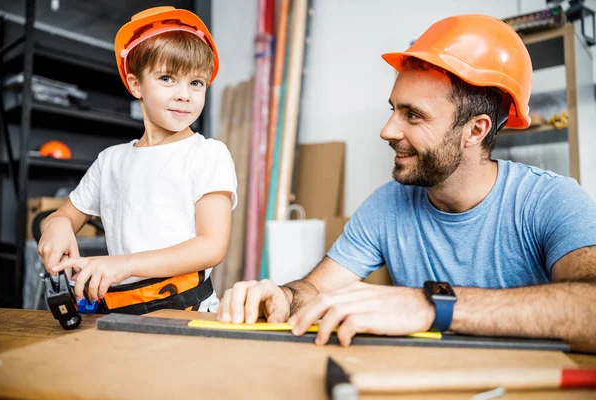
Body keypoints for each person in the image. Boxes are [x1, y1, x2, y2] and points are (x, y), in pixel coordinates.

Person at [217, 14, 596, 352]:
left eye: (413, 116)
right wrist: (282, 297)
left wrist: (431, 305)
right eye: (393, 109)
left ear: (475, 130)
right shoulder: (387, 205)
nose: (387, 131)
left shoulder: (551, 201)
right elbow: (316, 290)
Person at [38, 6, 237, 314]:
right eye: (167, 78)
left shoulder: (208, 154)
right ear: (135, 85)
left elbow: (211, 246)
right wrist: (57, 226)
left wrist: (123, 264)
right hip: (120, 313)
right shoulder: (110, 162)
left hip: (187, 312)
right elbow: (63, 216)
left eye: (196, 82)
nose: (185, 94)